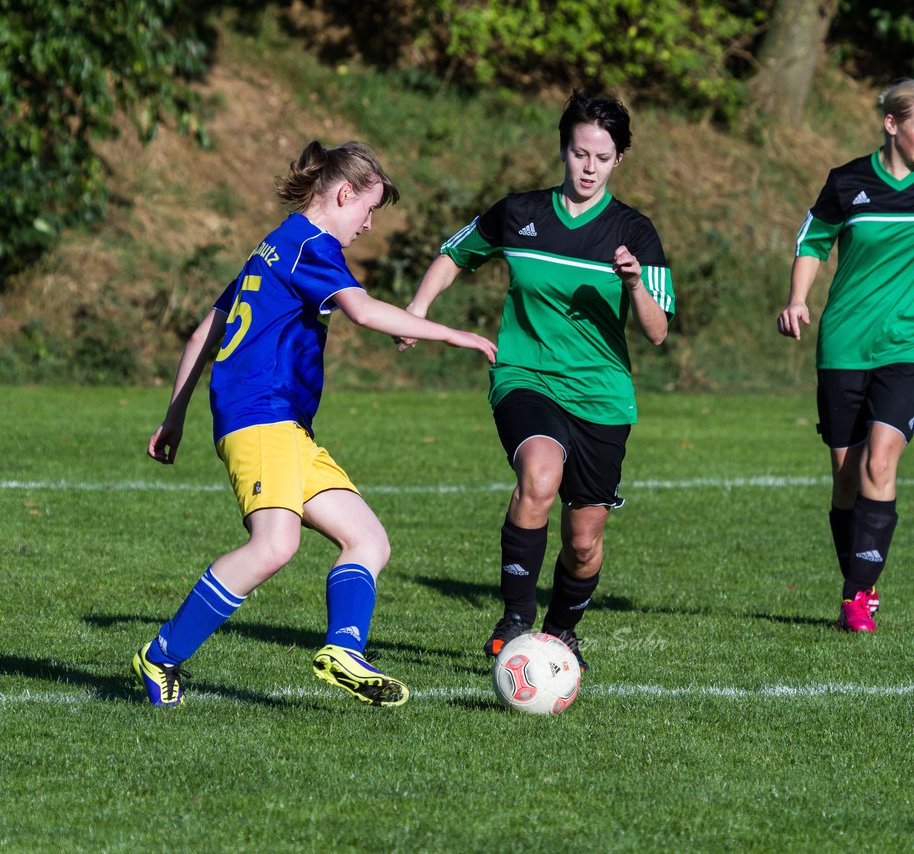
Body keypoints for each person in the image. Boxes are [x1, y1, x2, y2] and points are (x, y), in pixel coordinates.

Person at [135, 140, 497, 707]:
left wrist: (175, 414)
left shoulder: (275, 246)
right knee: (274, 544)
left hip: (286, 427)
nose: (369, 224)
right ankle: (161, 657)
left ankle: (344, 650)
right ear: (343, 194)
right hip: (261, 416)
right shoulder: (310, 244)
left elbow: (205, 329)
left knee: (368, 540)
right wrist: (455, 334)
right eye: (368, 209)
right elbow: (361, 308)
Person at [398, 91, 675, 672]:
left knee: (583, 542)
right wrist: (419, 311)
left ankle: (561, 632)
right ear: (563, 150)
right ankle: (515, 620)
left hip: (602, 395)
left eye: (602, 156)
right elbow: (456, 254)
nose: (589, 167)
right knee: (539, 476)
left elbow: (656, 332)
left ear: (619, 159)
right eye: (579, 153)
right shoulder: (521, 211)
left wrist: (633, 285)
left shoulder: (634, 232)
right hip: (525, 376)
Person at [776, 78, 914, 633]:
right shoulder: (849, 181)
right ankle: (859, 582)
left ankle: (857, 596)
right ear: (892, 124)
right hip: (843, 346)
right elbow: (813, 241)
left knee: (882, 461)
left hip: (905, 348)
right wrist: (796, 299)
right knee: (846, 477)